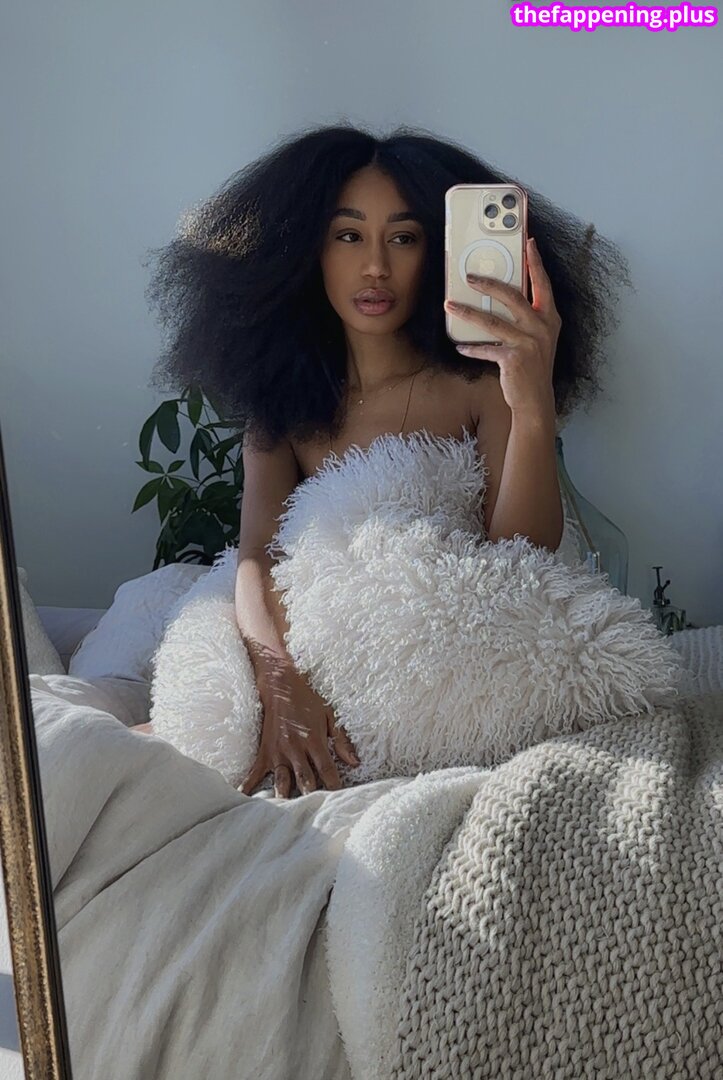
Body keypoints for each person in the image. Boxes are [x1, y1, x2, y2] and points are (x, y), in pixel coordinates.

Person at [142, 121, 632, 798]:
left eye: (403, 238)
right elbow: (255, 553)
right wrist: (281, 681)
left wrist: (532, 406)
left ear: (437, 250)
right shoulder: (284, 401)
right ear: (307, 249)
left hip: (430, 651)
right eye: (348, 235)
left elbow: (521, 557)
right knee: (188, 735)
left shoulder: (478, 385)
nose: (375, 266)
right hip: (294, 640)